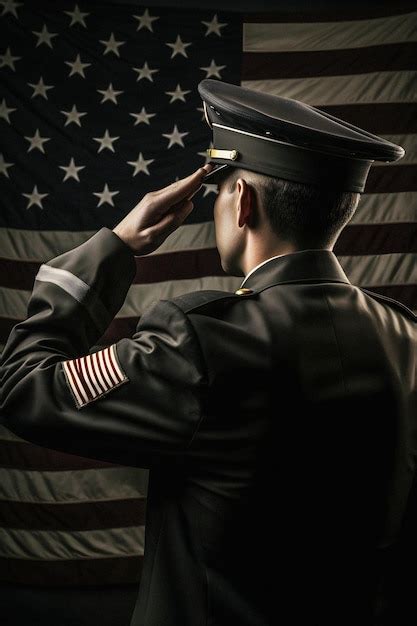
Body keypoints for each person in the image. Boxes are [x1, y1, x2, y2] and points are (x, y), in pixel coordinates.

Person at [1, 78, 416, 626]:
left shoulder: (204, 343)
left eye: (221, 189)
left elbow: (22, 387)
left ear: (241, 201)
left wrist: (114, 248)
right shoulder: (407, 338)